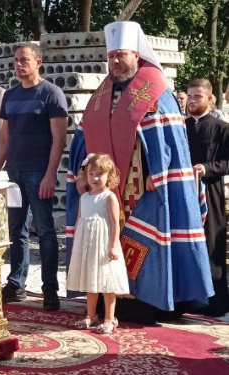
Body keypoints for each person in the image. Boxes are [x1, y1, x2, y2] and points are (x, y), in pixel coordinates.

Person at [66, 21, 214, 324]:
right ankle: (113, 303)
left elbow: (167, 139)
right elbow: (84, 135)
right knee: (110, 242)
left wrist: (158, 173)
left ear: (136, 54)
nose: (115, 62)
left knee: (146, 242)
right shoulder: (102, 93)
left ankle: (152, 301)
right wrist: (82, 172)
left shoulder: (156, 90)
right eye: (111, 56)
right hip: (107, 184)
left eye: (121, 55)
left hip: (144, 185)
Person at [0, 42, 68, 311]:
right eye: (16, 60)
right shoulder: (10, 96)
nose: (19, 64)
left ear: (38, 62)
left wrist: (51, 175)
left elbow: (59, 139)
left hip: (39, 172)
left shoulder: (52, 94)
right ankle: (17, 284)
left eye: (24, 60)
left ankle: (50, 288)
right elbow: (5, 137)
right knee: (16, 230)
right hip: (13, 172)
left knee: (46, 231)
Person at [67, 154, 129, 333]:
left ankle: (110, 318)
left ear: (109, 176)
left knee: (106, 281)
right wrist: (77, 243)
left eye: (100, 174)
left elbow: (115, 222)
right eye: (91, 174)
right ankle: (91, 315)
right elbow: (80, 219)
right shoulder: (84, 197)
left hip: (103, 244)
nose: (95, 178)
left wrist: (112, 246)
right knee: (91, 279)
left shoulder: (109, 197)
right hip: (87, 245)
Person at [186, 79, 229, 317]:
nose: (192, 101)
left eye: (198, 96)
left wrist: (208, 168)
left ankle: (216, 302)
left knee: (212, 243)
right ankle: (186, 301)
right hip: (183, 192)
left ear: (210, 99)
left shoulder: (222, 128)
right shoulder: (180, 126)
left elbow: (227, 162)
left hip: (209, 192)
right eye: (190, 96)